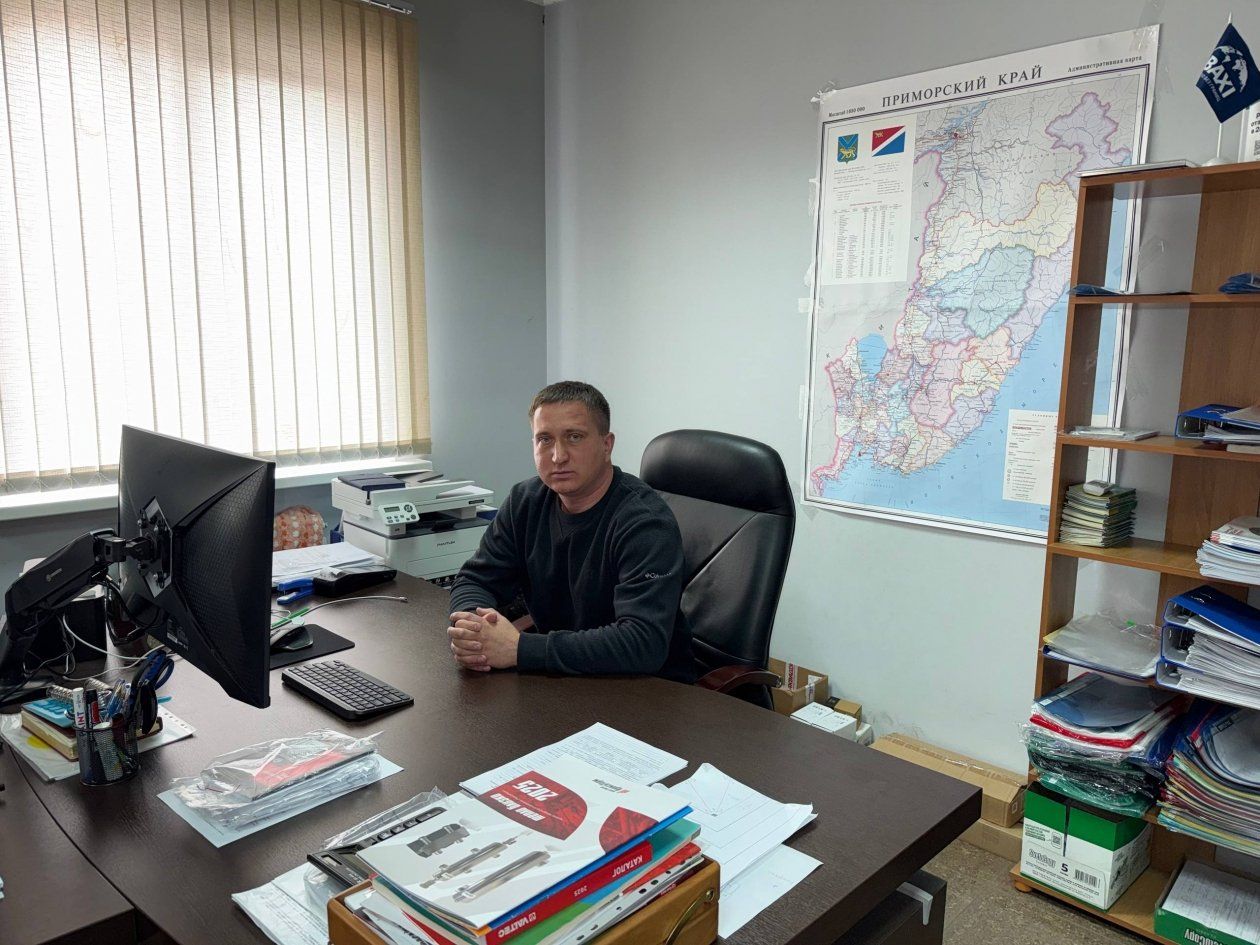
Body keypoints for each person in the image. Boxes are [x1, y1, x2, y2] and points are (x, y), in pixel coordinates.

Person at [447, 381, 693, 681]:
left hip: (648, 689)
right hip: (564, 676)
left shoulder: (645, 523)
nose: (558, 456)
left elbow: (643, 643)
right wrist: (473, 630)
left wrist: (520, 649)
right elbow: (475, 579)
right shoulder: (525, 501)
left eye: (574, 437)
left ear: (606, 445)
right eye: (544, 439)